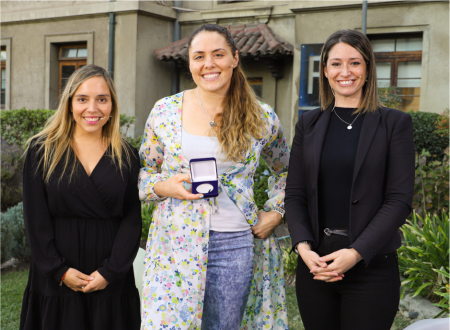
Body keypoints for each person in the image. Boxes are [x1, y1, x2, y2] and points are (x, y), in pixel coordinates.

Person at [138, 24, 290, 330]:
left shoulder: (261, 117)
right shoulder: (164, 112)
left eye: (218, 54)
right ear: (190, 63)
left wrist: (276, 211)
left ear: (234, 58)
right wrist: (164, 186)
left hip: (234, 244)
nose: (209, 64)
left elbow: (286, 169)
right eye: (199, 56)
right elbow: (144, 173)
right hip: (174, 243)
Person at [285, 29, 415, 330]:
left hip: (371, 267)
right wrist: (303, 249)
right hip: (315, 267)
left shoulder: (395, 123)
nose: (346, 72)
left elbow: (399, 200)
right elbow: (295, 194)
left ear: (368, 69)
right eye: (336, 64)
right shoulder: (308, 124)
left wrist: (355, 253)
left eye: (355, 63)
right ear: (325, 72)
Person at [20, 64, 142, 330]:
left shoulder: (127, 155)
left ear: (112, 105)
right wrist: (59, 271)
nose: (93, 108)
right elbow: (35, 220)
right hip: (55, 279)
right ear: (69, 104)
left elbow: (132, 220)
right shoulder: (42, 151)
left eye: (102, 99)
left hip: (111, 278)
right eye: (82, 99)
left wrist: (110, 272)